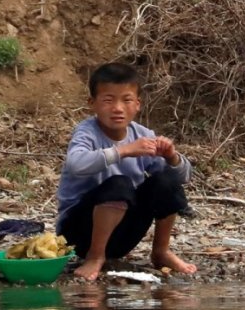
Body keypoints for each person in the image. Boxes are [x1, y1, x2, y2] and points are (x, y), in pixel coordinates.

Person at [56, 62, 197, 281]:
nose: (118, 108)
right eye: (108, 100)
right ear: (92, 103)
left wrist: (171, 156)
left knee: (164, 180)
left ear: (137, 104)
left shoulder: (142, 134)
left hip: (124, 233)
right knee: (119, 183)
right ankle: (95, 256)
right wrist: (123, 151)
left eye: (127, 100)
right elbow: (76, 163)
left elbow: (181, 179)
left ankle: (161, 251)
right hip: (77, 234)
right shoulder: (86, 132)